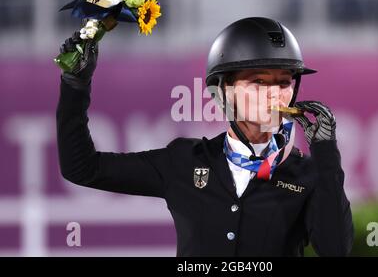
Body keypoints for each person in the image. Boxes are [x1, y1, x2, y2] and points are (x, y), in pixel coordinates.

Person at [56, 17, 353, 256]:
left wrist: (326, 155)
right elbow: (82, 169)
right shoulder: (183, 160)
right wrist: (75, 85)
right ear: (224, 90)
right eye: (259, 81)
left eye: (284, 82)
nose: (275, 93)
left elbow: (336, 249)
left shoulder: (308, 174)